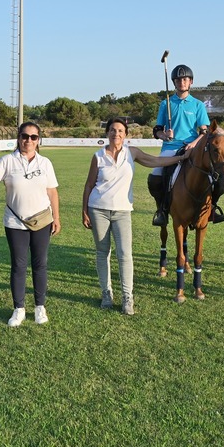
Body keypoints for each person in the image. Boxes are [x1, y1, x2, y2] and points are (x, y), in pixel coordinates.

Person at [81, 118, 183, 315]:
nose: (116, 134)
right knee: (103, 253)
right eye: (112, 130)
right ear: (107, 133)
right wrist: (84, 210)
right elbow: (88, 185)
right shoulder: (98, 156)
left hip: (122, 211)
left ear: (125, 134)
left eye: (120, 130)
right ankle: (106, 293)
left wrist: (180, 159)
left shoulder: (132, 152)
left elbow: (154, 161)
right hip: (98, 209)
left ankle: (128, 297)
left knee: (125, 254)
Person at [0, 122, 60, 327]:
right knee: (19, 265)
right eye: (25, 136)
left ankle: (40, 307)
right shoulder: (8, 161)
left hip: (42, 220)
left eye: (33, 137)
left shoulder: (45, 163)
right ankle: (19, 309)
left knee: (40, 264)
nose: (29, 141)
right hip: (15, 222)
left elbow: (52, 192)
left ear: (38, 140)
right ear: (19, 138)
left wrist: (57, 218)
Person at [148, 63, 221, 226]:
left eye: (185, 79)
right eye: (179, 79)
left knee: (216, 175)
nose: (182, 82)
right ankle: (162, 210)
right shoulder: (165, 104)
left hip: (193, 149)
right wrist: (164, 135)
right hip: (171, 148)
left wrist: (193, 143)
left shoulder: (198, 105)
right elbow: (157, 130)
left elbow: (204, 131)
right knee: (155, 178)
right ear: (174, 82)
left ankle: (212, 208)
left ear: (191, 82)